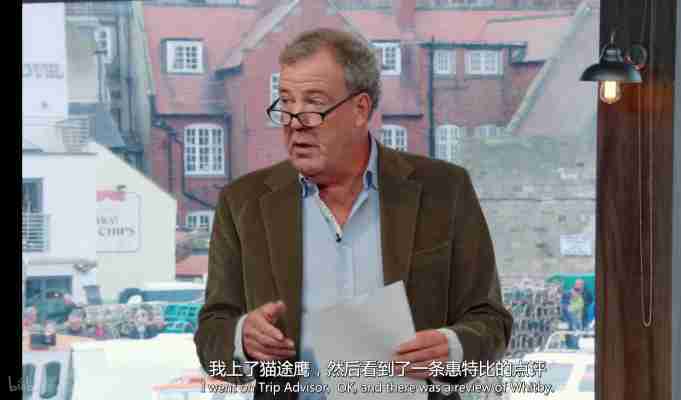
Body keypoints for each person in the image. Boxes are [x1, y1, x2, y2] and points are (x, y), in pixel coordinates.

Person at [194, 28, 513, 399]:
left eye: (313, 105)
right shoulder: (243, 202)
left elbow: (491, 321)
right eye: (286, 103)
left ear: (360, 109)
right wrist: (242, 340)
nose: (294, 122)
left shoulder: (444, 190)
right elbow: (211, 334)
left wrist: (452, 349)